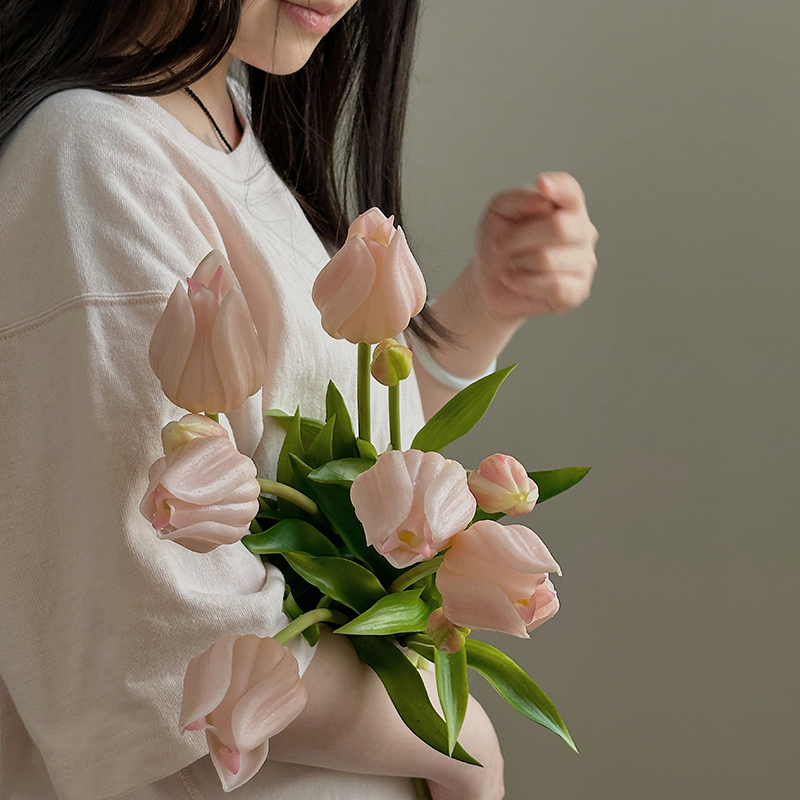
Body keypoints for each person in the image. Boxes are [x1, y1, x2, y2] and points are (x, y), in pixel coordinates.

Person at [0, 1, 598, 798]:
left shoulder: (222, 113)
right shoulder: (94, 155)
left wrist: (487, 303)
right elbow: (173, 644)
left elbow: (326, 485)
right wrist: (462, 743)